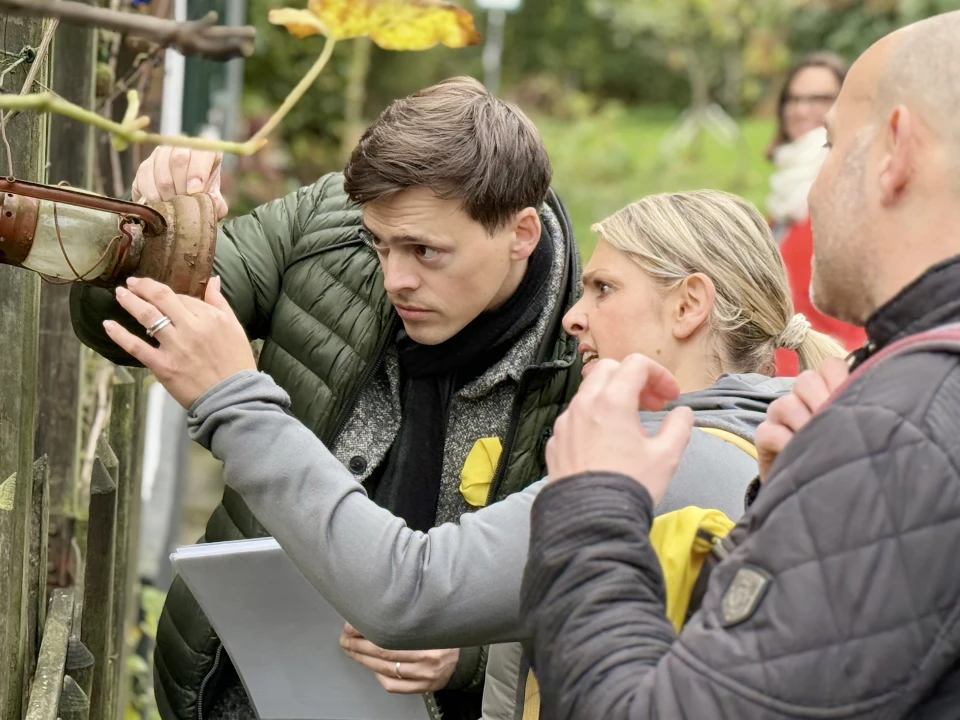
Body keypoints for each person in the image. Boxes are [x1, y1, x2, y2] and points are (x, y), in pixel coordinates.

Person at [99, 190, 844, 719]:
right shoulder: (769, 448)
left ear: (689, 305)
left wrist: (235, 400)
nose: (575, 318)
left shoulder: (664, 458)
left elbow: (410, 589)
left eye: (605, 289)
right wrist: (471, 662)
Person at [70, 77, 584, 720]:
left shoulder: (587, 359)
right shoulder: (325, 223)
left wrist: (473, 658)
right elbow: (127, 326)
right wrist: (149, 233)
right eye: (379, 242)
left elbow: (594, 595)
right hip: (228, 689)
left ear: (522, 233)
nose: (395, 277)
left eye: (426, 251)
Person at [520, 10, 960, 719]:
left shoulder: (895, 430)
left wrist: (593, 500)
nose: (813, 192)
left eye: (830, 144)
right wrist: (784, 507)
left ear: (897, 149)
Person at [766, 51, 867, 375]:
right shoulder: (785, 196)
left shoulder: (856, 190)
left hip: (831, 372)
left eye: (820, 98)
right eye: (793, 99)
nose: (800, 110)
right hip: (773, 373)